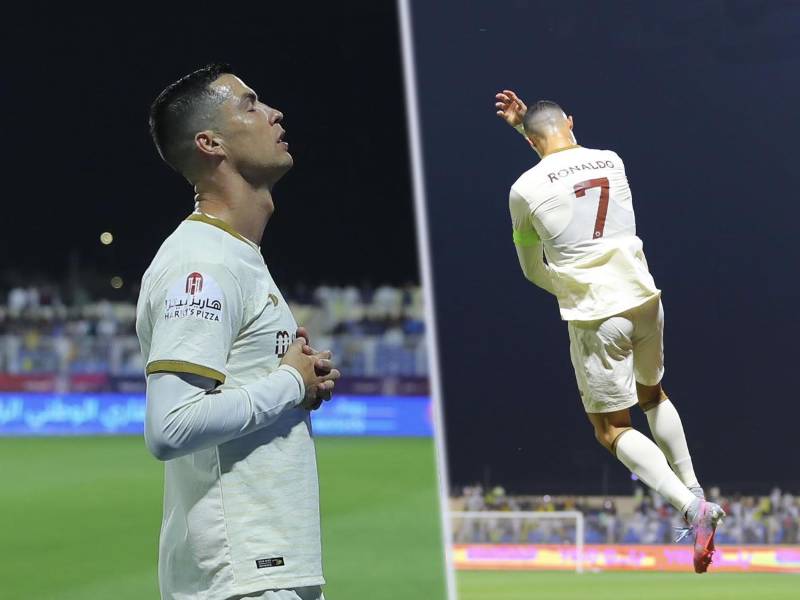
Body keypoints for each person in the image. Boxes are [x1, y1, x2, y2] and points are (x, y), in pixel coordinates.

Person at [494, 90, 724, 573]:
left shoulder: (523, 190)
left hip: (598, 312)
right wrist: (528, 129)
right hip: (644, 295)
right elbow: (565, 165)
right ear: (572, 122)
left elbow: (531, 265)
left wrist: (568, 286)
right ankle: (696, 489)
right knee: (654, 395)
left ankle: (689, 508)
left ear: (532, 141)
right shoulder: (611, 160)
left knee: (611, 428)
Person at [136, 63, 341, 600]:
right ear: (210, 143)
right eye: (250, 105)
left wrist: (300, 379)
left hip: (268, 567)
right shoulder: (200, 264)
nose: (274, 113)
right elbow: (170, 427)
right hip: (241, 577)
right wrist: (290, 385)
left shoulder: (238, 256)